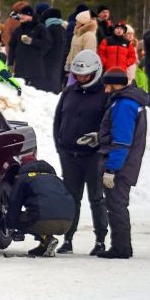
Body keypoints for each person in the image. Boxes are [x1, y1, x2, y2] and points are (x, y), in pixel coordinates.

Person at [52, 50, 109, 256]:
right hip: (69, 155)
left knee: (96, 198)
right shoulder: (69, 92)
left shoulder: (105, 94)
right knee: (71, 198)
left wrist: (98, 139)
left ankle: (101, 239)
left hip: (93, 156)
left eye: (85, 75)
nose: (81, 79)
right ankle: (68, 239)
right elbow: (58, 119)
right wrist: (60, 144)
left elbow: (108, 125)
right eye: (78, 76)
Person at [98, 67, 148, 259]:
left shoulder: (124, 104)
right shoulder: (129, 101)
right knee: (116, 204)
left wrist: (111, 168)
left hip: (121, 165)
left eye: (107, 86)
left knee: (116, 205)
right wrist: (98, 137)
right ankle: (121, 246)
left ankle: (121, 248)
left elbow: (122, 141)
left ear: (115, 84)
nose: (105, 90)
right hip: (126, 162)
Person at [7, 159, 77, 256]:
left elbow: (14, 204)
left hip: (43, 221)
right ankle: (45, 245)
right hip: (67, 223)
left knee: (20, 217)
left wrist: (10, 225)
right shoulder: (56, 179)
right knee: (43, 212)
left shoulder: (23, 178)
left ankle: (48, 239)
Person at [9, 5, 50, 87]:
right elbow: (12, 46)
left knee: (32, 94)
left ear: (30, 16)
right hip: (20, 68)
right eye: (20, 14)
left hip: (34, 69)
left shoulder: (39, 27)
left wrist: (32, 41)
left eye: (24, 14)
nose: (21, 16)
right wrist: (10, 63)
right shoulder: (19, 29)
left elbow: (47, 43)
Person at [63, 9, 97, 87]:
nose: (76, 22)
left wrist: (84, 70)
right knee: (70, 89)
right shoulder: (76, 35)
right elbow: (72, 51)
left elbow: (89, 54)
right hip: (73, 69)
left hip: (81, 71)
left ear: (82, 22)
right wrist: (68, 64)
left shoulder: (89, 35)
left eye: (77, 21)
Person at [40, 8, 67, 93]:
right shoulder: (62, 29)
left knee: (47, 84)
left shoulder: (49, 29)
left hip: (48, 60)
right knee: (55, 80)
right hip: (59, 59)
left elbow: (47, 45)